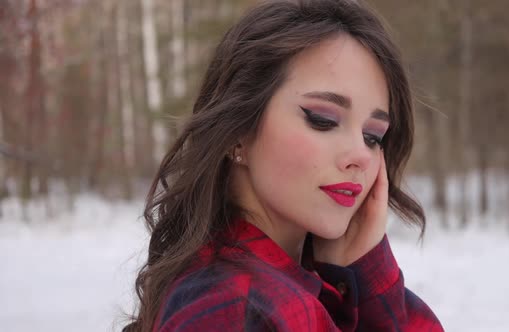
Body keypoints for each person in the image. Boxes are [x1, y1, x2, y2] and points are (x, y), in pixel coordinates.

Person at [124, 0, 444, 331]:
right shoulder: (234, 309)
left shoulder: (307, 289)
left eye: (373, 136)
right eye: (323, 120)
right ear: (238, 131)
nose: (361, 155)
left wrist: (364, 276)